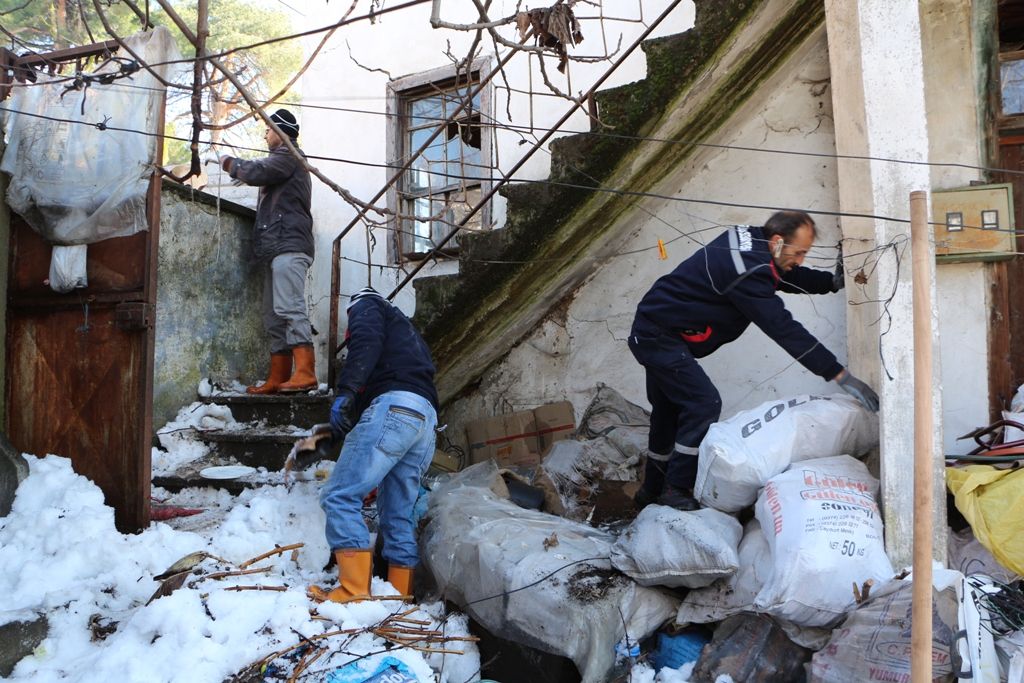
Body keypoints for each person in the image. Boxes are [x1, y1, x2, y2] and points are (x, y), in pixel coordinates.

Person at [629, 210, 879, 511]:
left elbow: (782, 273)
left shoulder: (753, 241)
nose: (800, 259)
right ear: (777, 241)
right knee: (702, 403)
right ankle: (675, 488)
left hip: (658, 326)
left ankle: (649, 492)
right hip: (658, 335)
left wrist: (829, 282)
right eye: (799, 252)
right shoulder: (747, 272)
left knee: (668, 413)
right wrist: (839, 375)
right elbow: (783, 328)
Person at [309, 287, 439, 603]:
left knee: (340, 495)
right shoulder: (407, 332)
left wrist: (346, 390)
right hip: (424, 418)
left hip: (394, 407)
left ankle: (353, 591)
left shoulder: (366, 304)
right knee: (397, 512)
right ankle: (398, 596)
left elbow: (364, 346)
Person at [220, 108, 317, 394]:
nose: (264, 134)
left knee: (289, 307)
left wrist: (228, 162)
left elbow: (259, 170)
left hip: (289, 243)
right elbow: (263, 172)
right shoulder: (284, 161)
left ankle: (306, 372)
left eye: (267, 129)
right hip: (276, 247)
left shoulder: (289, 154)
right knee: (273, 315)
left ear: (281, 131)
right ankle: (278, 377)